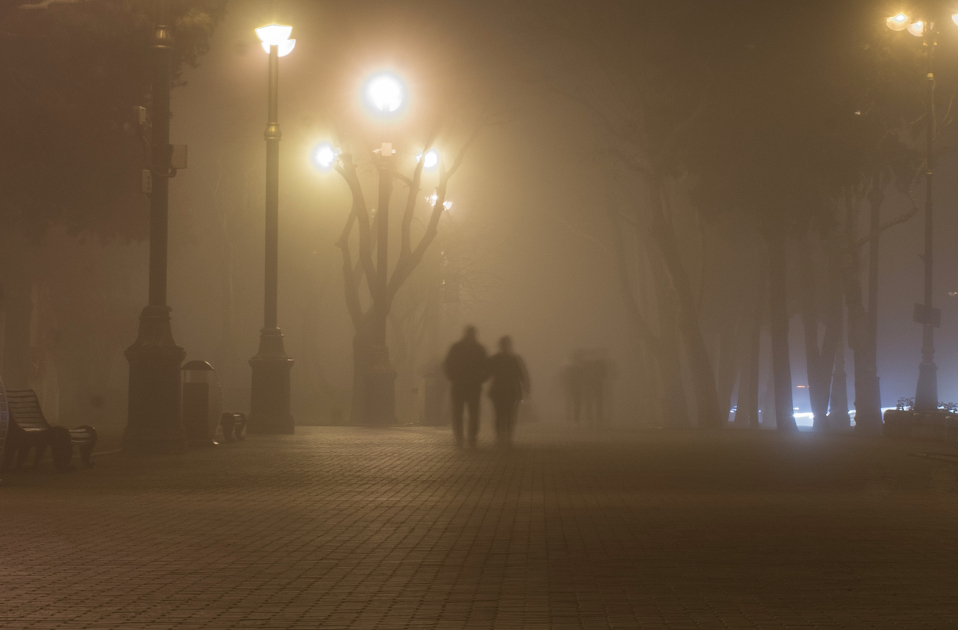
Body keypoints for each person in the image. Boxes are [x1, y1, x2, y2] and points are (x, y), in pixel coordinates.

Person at [443, 326, 489, 448]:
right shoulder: (479, 349)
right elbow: (487, 367)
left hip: (460, 385)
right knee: (471, 413)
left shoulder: (456, 348)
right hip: (471, 385)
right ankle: (469, 437)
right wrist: (481, 379)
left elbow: (447, 364)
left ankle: (462, 437)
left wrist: (452, 377)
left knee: (460, 413)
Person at [487, 336, 529, 447]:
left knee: (498, 414)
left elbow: (488, 373)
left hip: (497, 390)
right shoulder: (515, 359)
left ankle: (499, 437)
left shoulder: (495, 358)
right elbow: (522, 375)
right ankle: (508, 437)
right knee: (510, 414)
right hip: (511, 390)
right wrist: (526, 389)